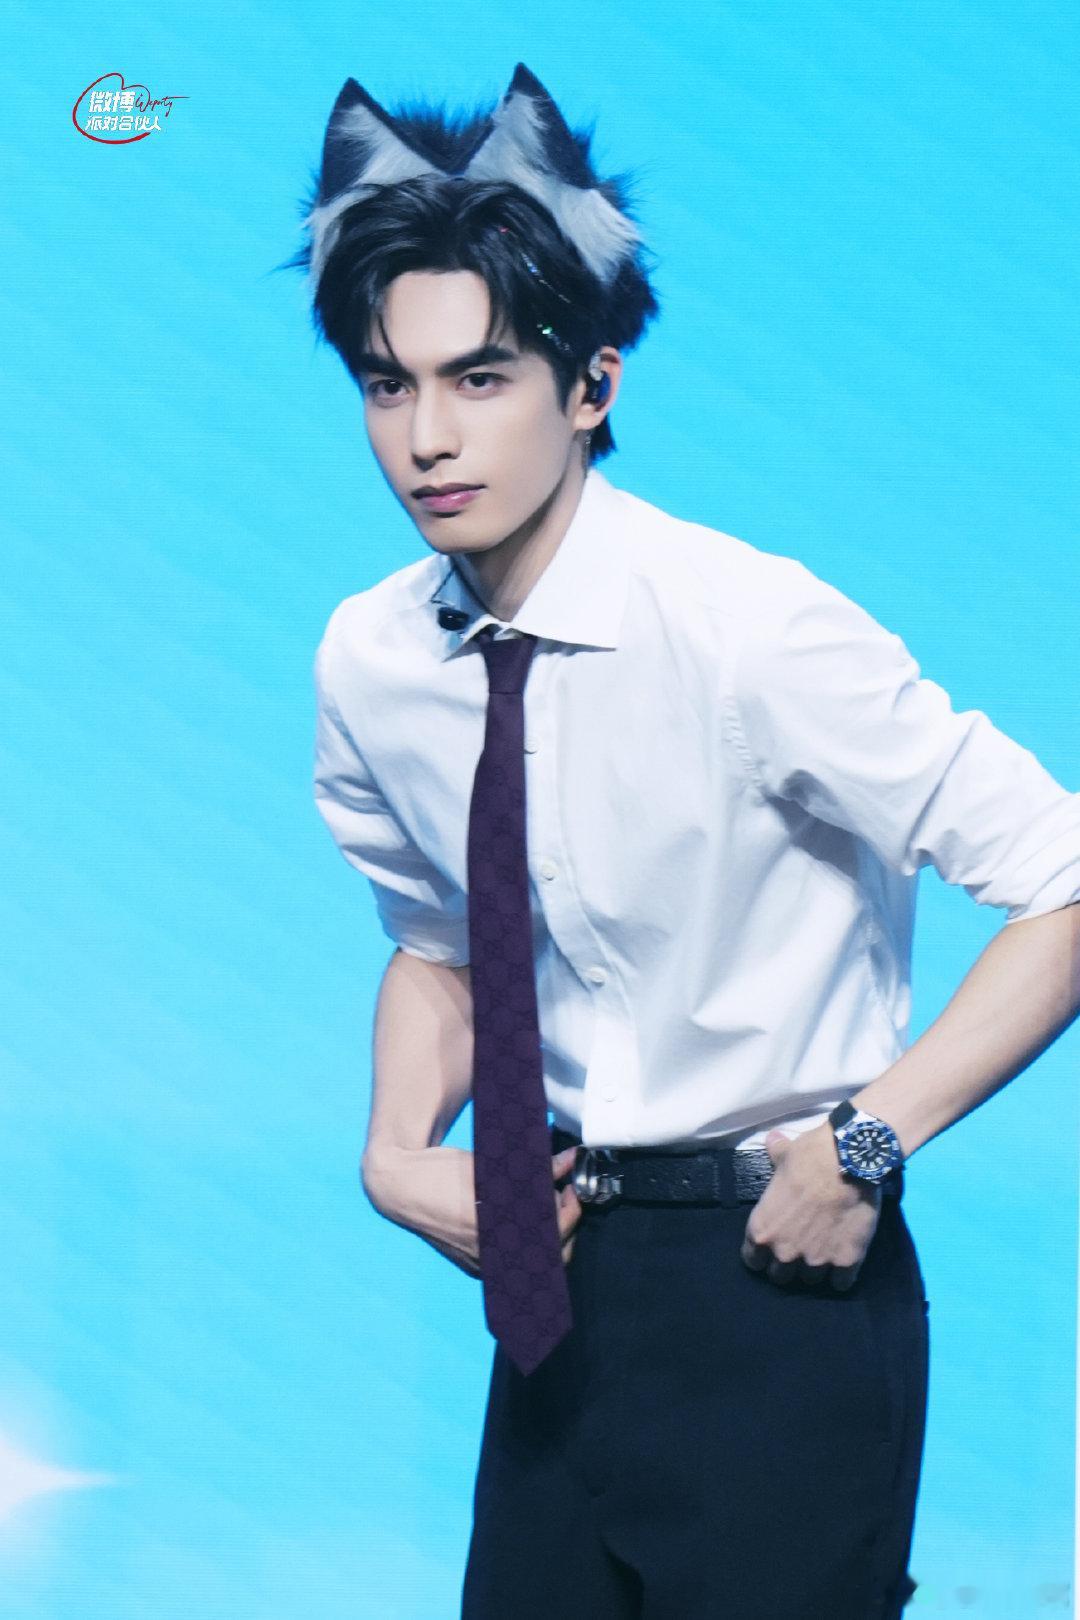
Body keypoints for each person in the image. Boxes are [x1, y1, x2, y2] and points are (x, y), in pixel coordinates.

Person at [293, 63, 1080, 1619]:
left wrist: (869, 1143)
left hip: (780, 1264)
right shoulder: (372, 660)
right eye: (389, 387)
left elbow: (1065, 879)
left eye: (480, 378)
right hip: (560, 1281)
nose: (427, 438)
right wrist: (395, 1158)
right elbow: (442, 945)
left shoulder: (747, 628)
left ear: (592, 386)